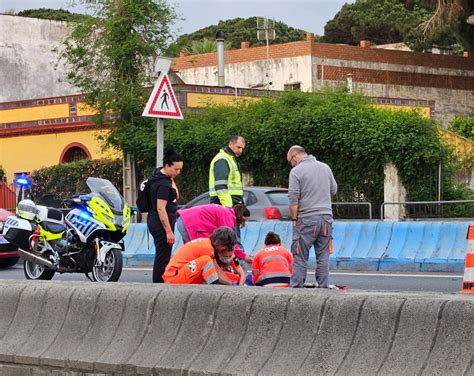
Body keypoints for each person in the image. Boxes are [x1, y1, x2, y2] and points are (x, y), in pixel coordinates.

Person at [287, 145, 337, 288]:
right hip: (326, 219)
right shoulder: (325, 167)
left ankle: (296, 289)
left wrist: (294, 219)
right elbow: (334, 190)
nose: (291, 164)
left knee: (300, 255)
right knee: (323, 256)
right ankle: (323, 287)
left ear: (294, 156)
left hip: (306, 219)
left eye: (290, 161)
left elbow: (293, 198)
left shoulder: (296, 172)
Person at [147, 145, 183, 283]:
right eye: (176, 169)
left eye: (180, 169)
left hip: (156, 220)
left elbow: (176, 195)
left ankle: (160, 283)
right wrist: (168, 231)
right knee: (163, 257)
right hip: (161, 222)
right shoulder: (163, 184)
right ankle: (159, 285)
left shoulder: (159, 175)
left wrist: (172, 178)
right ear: (167, 166)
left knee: (163, 255)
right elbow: (161, 208)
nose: (178, 172)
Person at [175, 203, 253, 263]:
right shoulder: (228, 216)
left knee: (194, 253)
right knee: (203, 253)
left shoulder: (226, 212)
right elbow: (229, 240)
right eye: (244, 220)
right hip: (191, 223)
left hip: (185, 219)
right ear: (241, 215)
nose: (243, 223)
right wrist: (243, 256)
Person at [163, 227, 243, 285]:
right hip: (174, 277)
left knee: (231, 277)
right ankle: (214, 290)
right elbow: (217, 272)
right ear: (220, 243)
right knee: (206, 261)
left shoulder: (208, 244)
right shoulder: (207, 248)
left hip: (181, 273)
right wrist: (231, 284)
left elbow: (221, 272)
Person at [209, 135, 245, 208]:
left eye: (242, 148)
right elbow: (220, 186)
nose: (240, 150)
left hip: (231, 201)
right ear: (230, 144)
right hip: (226, 202)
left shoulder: (230, 158)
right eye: (238, 147)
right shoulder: (222, 159)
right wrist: (228, 207)